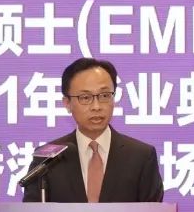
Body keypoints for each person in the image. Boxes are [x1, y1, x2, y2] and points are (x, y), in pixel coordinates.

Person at [22, 58, 164, 203]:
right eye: (85, 97)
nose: (96, 106)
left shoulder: (141, 156)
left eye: (104, 95)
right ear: (67, 103)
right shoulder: (47, 158)